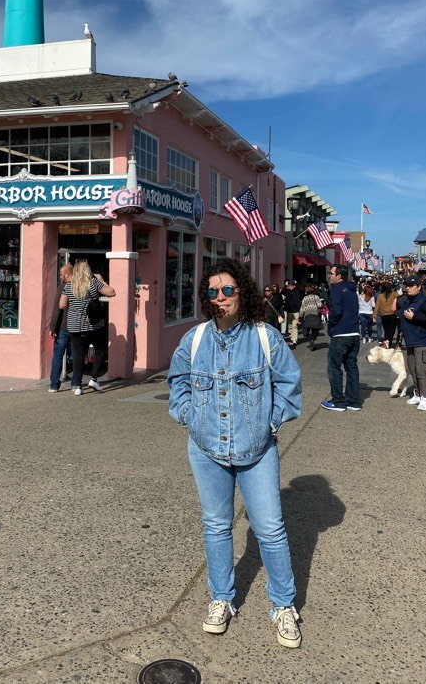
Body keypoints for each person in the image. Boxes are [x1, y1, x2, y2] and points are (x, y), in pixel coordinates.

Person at [168, 259, 303, 649]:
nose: (220, 298)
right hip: (206, 448)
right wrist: (189, 418)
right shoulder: (194, 340)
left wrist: (269, 425)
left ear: (242, 291)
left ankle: (282, 605)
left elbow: (289, 387)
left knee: (270, 531)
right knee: (216, 525)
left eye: (228, 290)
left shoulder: (265, 338)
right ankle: (221, 599)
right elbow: (177, 383)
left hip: (256, 450)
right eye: (212, 292)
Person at [59, 259, 116, 395]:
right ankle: (94, 378)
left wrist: (74, 303)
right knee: (100, 349)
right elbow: (112, 292)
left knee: (78, 355)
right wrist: (101, 280)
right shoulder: (93, 283)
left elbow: (61, 305)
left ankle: (78, 386)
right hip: (92, 324)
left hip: (74, 325)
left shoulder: (69, 285)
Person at [321, 265, 361, 412]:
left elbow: (336, 311)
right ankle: (354, 401)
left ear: (339, 276)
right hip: (354, 333)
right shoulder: (352, 291)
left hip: (341, 334)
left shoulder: (337, 289)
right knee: (351, 367)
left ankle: (338, 401)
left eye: (331, 273)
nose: (329, 276)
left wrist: (331, 327)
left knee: (334, 367)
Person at [399, 274, 426, 412]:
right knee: (413, 369)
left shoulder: (425, 301)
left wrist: (414, 317)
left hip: (423, 340)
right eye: (406, 285)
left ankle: (425, 399)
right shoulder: (407, 300)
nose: (408, 288)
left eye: (411, 286)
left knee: (420, 370)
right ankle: (418, 394)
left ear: (418, 287)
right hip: (410, 340)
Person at [48, 263, 73, 392]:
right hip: (76, 327)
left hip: (63, 327)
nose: (61, 276)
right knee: (77, 355)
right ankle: (75, 384)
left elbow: (57, 309)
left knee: (58, 355)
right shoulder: (80, 287)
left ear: (68, 275)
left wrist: (53, 327)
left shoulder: (63, 287)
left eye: (62, 274)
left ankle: (54, 385)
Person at [373, 281, 398, 349]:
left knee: (386, 330)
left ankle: (387, 341)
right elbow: (400, 299)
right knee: (392, 330)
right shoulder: (394, 294)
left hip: (383, 315)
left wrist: (374, 315)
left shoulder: (380, 296)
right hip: (392, 314)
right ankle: (388, 341)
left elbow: (377, 306)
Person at [299, 283, 323, 350]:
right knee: (315, 330)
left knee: (308, 328)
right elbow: (319, 305)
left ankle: (309, 338)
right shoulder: (316, 297)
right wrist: (322, 304)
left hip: (307, 315)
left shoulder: (305, 298)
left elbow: (302, 308)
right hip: (315, 314)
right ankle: (312, 340)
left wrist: (300, 317)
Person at [282, 280, 302, 347]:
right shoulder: (287, 291)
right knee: (290, 325)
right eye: (289, 285)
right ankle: (292, 338)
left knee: (295, 325)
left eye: (292, 285)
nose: (290, 286)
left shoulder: (297, 290)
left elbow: (301, 289)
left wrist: (297, 283)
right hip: (289, 311)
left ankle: (294, 340)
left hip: (296, 311)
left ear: (294, 285)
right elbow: (282, 291)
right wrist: (285, 285)